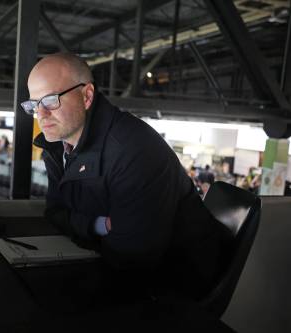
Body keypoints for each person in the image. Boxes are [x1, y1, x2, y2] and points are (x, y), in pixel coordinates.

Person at [26, 53, 231, 300]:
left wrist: (81, 227)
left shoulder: (134, 150)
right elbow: (55, 212)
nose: (41, 114)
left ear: (87, 96)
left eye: (50, 100)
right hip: (113, 265)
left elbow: (133, 258)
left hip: (173, 289)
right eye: (33, 105)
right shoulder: (57, 144)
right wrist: (98, 225)